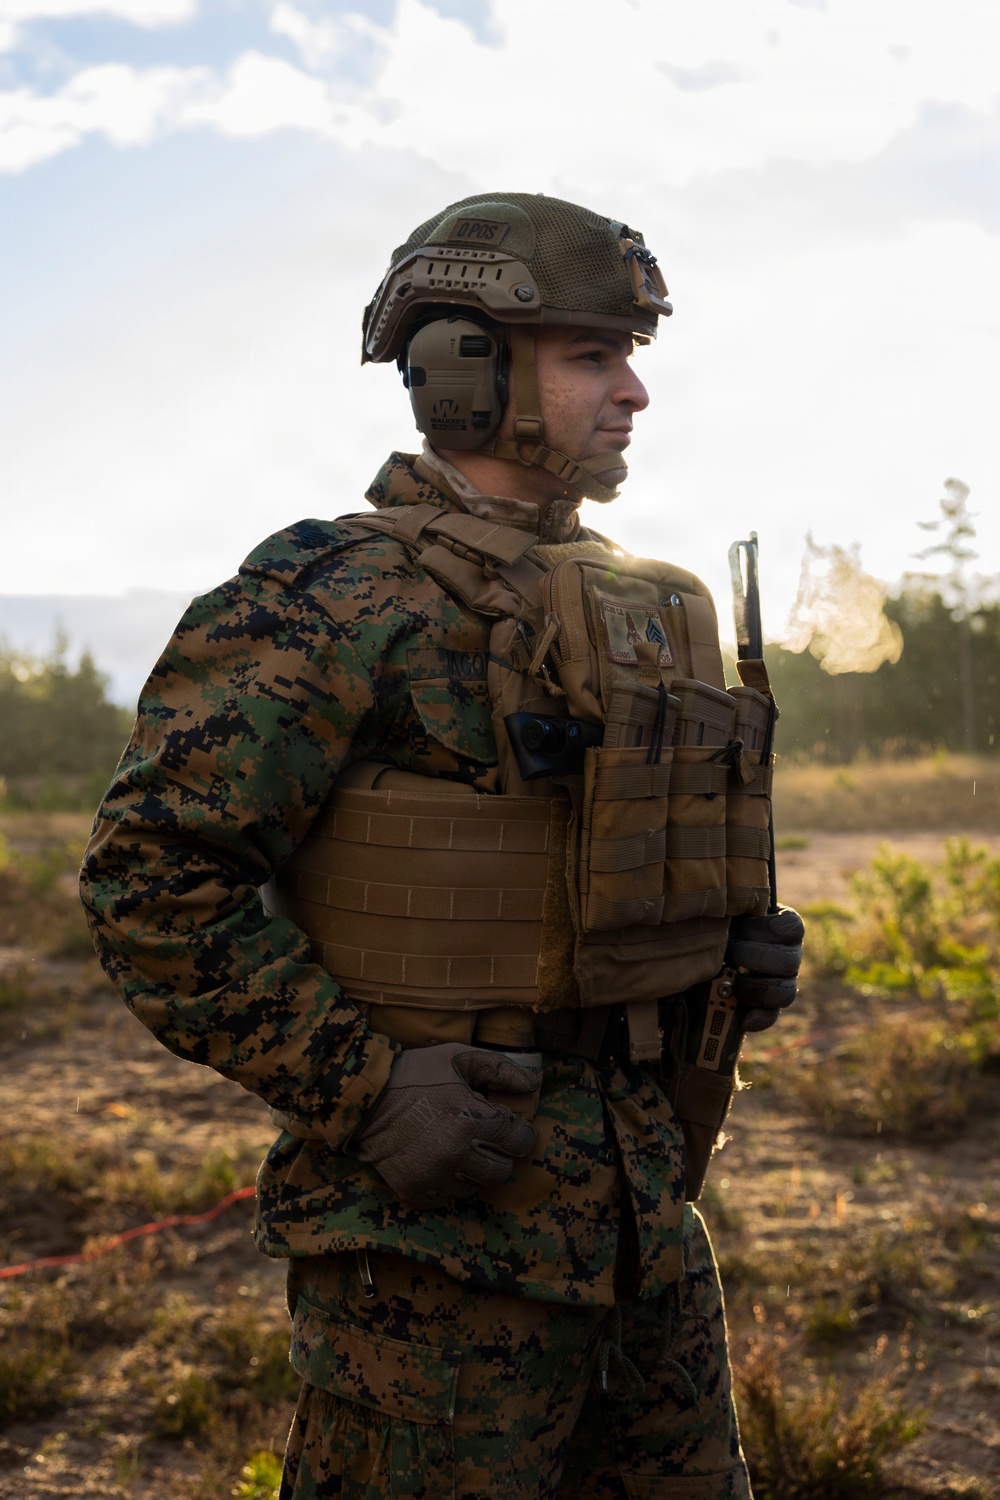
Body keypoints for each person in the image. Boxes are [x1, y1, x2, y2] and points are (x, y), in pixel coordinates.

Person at [81, 191, 804, 1500]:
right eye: (594, 355)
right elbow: (155, 876)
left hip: (646, 1228)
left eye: (631, 355)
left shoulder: (647, 604)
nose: (635, 390)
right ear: (465, 374)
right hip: (436, 1266)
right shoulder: (331, 593)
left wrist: (717, 952)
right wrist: (363, 1085)